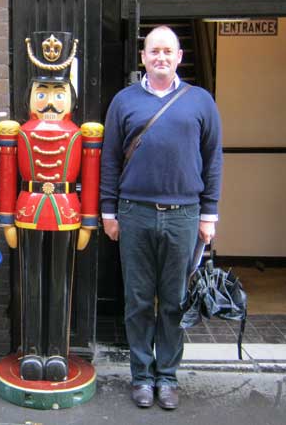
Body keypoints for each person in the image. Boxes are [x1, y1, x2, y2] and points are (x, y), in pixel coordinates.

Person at [100, 26, 222, 410]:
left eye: (168, 51)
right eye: (154, 51)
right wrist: (108, 209)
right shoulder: (124, 101)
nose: (161, 58)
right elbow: (109, 159)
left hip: (184, 215)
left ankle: (167, 377)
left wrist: (209, 213)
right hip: (134, 212)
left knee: (173, 300)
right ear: (143, 57)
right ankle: (141, 376)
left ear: (179, 57)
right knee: (137, 300)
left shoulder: (201, 102)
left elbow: (213, 158)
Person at [0, 31, 103, 382]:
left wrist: (88, 221)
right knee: (30, 283)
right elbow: (7, 176)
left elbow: (89, 177)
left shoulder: (82, 133)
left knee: (61, 283)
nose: (50, 103)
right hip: (28, 211)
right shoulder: (17, 131)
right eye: (42, 93)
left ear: (69, 95)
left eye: (58, 94)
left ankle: (57, 351)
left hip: (65, 211)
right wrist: (6, 219)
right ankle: (30, 350)